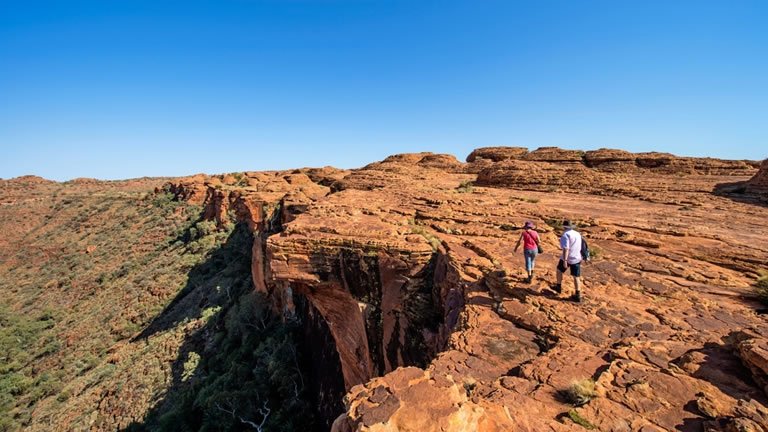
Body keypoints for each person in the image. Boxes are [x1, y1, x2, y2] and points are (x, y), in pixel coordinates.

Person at [552, 220, 583, 302]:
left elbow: (566, 248)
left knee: (559, 270)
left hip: (568, 258)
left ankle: (558, 287)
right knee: (576, 277)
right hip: (577, 257)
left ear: (564, 227)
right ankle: (578, 294)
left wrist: (565, 260)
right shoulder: (577, 233)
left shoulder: (565, 235)